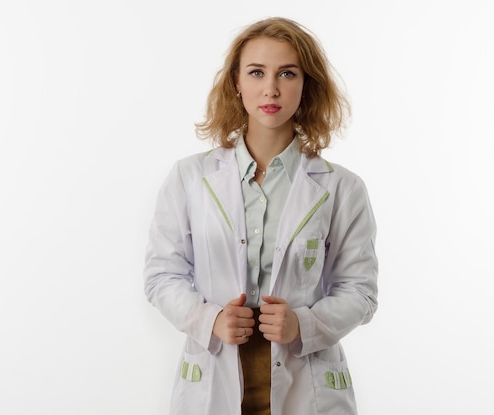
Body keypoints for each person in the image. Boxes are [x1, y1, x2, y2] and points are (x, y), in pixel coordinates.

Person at [143, 16, 378, 415]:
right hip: (214, 380)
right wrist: (209, 319)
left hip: (307, 386)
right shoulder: (190, 178)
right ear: (236, 81)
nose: (271, 89)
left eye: (287, 73)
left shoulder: (342, 188)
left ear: (307, 84)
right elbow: (161, 275)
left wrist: (303, 325)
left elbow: (360, 292)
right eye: (256, 72)